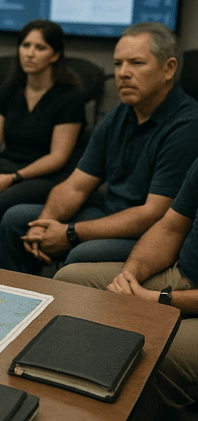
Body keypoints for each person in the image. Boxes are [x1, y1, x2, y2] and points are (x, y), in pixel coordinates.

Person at [0, 22, 198, 275]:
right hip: (109, 212)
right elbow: (75, 185)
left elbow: (154, 214)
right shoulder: (119, 115)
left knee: (82, 253)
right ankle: (17, 301)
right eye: (118, 64)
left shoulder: (187, 125)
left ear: (168, 69)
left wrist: (70, 232)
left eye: (136, 63)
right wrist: (43, 224)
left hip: (151, 234)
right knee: (17, 220)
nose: (123, 73)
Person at [54, 156, 198, 419]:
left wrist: (160, 299)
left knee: (157, 354)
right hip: (184, 274)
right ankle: (66, 396)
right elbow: (171, 228)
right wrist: (129, 276)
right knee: (69, 282)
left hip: (179, 295)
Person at [0, 20, 86, 264]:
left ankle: (13, 270)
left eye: (39, 47)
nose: (30, 53)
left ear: (55, 55)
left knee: (7, 199)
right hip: (7, 165)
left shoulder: (70, 97)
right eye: (25, 45)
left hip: (49, 175)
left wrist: (13, 178)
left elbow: (58, 157)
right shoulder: (9, 89)